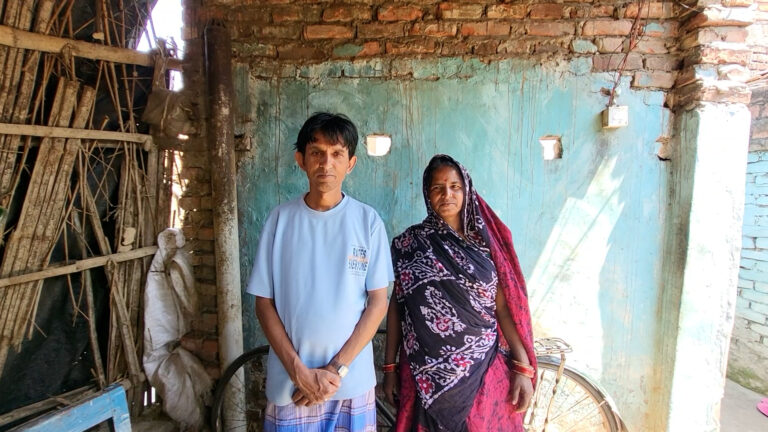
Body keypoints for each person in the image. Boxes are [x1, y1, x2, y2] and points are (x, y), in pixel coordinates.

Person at [246, 112, 394, 431]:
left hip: (349, 384)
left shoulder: (367, 222)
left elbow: (378, 302)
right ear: (301, 160)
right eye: (317, 152)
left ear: (350, 163)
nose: (326, 163)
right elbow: (263, 304)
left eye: (337, 154)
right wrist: (298, 372)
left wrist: (336, 369)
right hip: (291, 386)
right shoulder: (279, 221)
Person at [383, 154, 537, 432]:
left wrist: (522, 366)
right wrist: (389, 368)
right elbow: (397, 307)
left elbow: (503, 310)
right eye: (438, 187)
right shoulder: (410, 244)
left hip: (482, 370)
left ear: (467, 190)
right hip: (424, 375)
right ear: (427, 193)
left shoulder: (485, 246)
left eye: (455, 187)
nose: (447, 195)